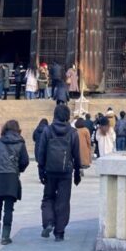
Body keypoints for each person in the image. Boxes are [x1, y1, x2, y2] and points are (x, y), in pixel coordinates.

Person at [36, 103, 82, 242]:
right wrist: (77, 171)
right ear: (67, 116)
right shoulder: (73, 132)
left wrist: (40, 169)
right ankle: (59, 232)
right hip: (66, 171)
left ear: (55, 115)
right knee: (63, 201)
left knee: (48, 198)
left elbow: (41, 152)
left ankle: (49, 222)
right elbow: (76, 154)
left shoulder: (47, 131)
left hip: (50, 170)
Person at [0, 119, 29, 245]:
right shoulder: (21, 143)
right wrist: (18, 169)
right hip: (12, 176)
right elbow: (25, 161)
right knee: (9, 208)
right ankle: (5, 235)